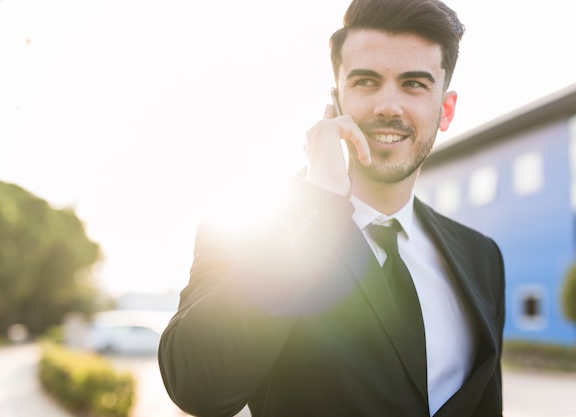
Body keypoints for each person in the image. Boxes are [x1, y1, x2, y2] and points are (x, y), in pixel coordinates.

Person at [158, 0, 505, 416]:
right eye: (366, 81)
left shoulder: (481, 257)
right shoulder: (242, 229)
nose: (388, 106)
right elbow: (198, 387)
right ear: (336, 101)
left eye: (414, 84)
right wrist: (317, 202)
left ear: (445, 110)